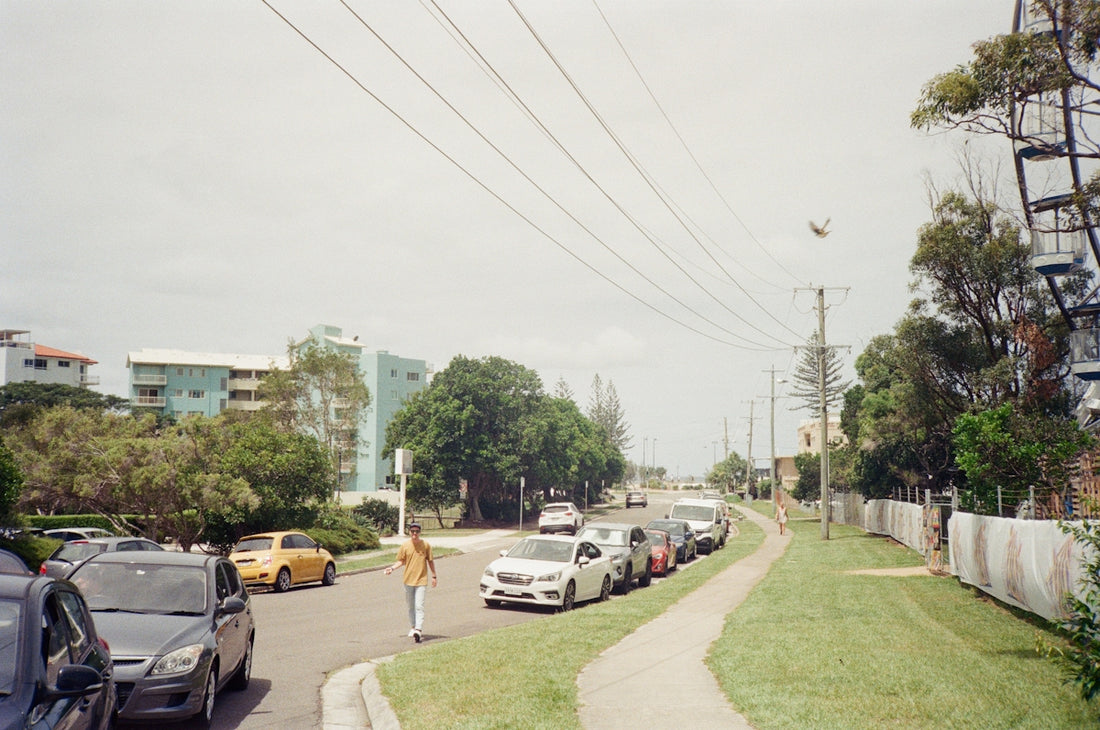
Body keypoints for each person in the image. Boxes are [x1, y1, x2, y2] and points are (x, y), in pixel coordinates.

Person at [384, 522, 437, 642]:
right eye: (412, 531)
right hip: (408, 580)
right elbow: (401, 561)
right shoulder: (405, 546)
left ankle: (418, 629)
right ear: (409, 532)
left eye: (417, 531)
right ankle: (413, 627)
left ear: (420, 532)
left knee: (419, 606)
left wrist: (434, 576)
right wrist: (391, 568)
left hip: (421, 580)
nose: (414, 534)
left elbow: (430, 561)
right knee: (410, 606)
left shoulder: (426, 545)